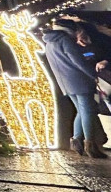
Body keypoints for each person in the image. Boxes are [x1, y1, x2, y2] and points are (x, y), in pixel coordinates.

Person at [43, 18, 108, 158]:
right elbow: (77, 61)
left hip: (65, 82)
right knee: (88, 111)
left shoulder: (50, 43)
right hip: (79, 81)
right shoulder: (65, 40)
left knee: (81, 110)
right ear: (69, 30)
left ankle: (77, 140)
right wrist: (92, 75)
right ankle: (91, 145)